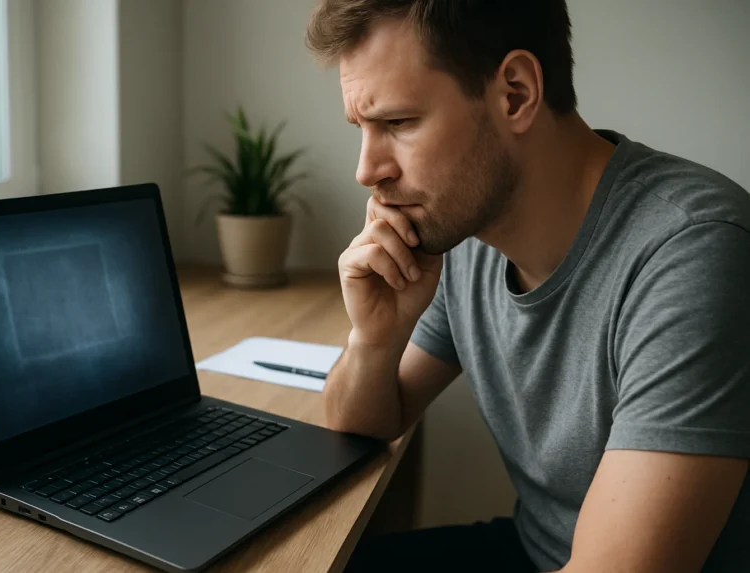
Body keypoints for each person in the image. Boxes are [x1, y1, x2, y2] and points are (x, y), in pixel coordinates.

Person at [304, 1, 750, 572]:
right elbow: (365, 422)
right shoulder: (464, 228)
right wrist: (374, 337)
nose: (367, 170)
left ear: (515, 93)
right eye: (361, 128)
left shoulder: (691, 250)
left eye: (398, 123)